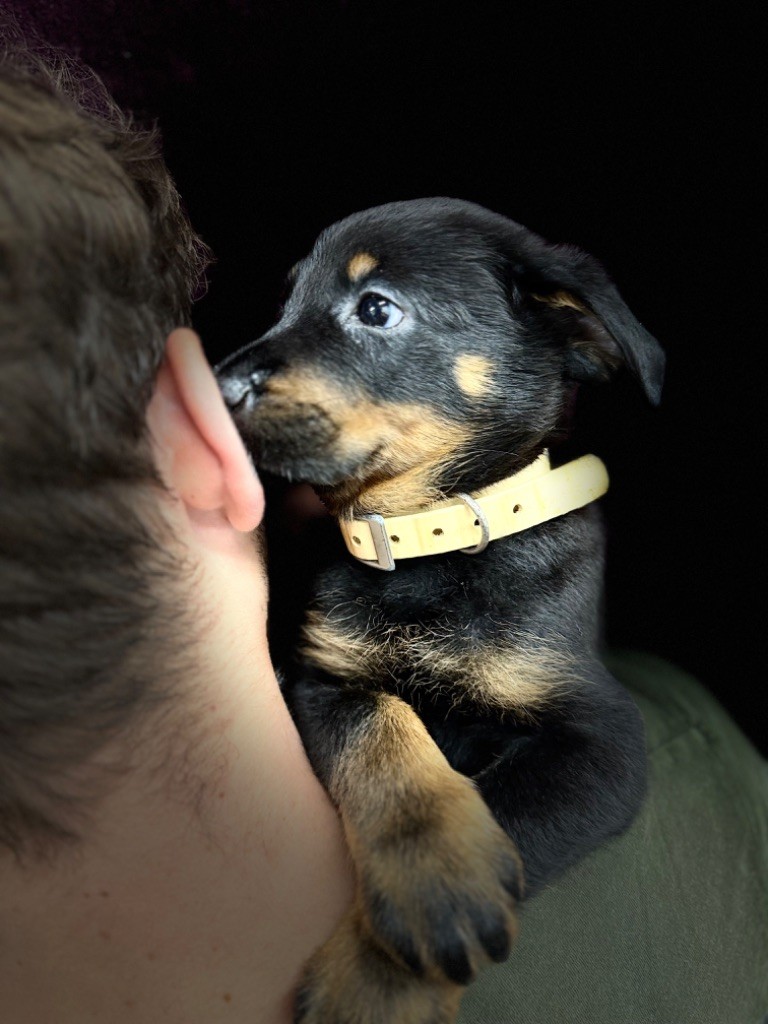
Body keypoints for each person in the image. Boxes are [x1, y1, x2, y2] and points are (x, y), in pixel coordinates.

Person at [1, 34, 767, 1024]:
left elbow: (593, 750)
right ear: (196, 431)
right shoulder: (717, 794)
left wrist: (406, 937)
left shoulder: (567, 614)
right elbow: (335, 689)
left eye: (372, 309)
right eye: (301, 306)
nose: (254, 368)